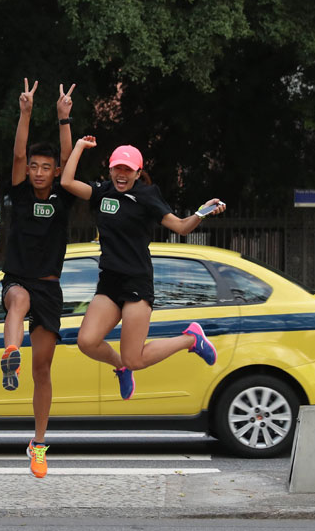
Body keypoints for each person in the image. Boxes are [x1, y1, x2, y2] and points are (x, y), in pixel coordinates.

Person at [60, 136, 225, 403]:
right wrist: (78, 146)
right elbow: (67, 183)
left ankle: (191, 339)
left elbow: (181, 227)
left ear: (138, 173)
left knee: (135, 358)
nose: (122, 174)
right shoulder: (103, 192)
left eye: (128, 169)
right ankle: (120, 367)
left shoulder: (147, 197)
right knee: (86, 342)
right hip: (109, 283)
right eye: (117, 168)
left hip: (136, 282)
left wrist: (202, 213)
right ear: (110, 169)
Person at [0, 79, 78, 478]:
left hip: (49, 285)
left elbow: (68, 159)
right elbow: (16, 152)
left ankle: (38, 443)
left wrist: (64, 118)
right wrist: (26, 112)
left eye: (47, 167)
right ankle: (10, 353)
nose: (39, 172)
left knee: (43, 370)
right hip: (19, 279)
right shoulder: (20, 192)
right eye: (34, 166)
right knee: (17, 301)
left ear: (56, 171)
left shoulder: (63, 197)